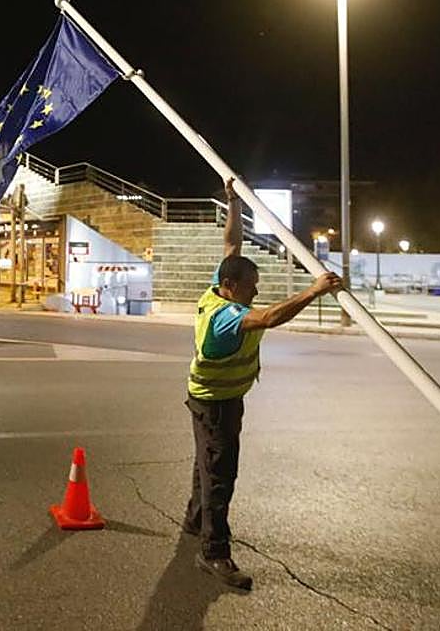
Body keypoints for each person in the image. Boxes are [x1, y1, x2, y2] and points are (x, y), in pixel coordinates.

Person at [183, 178, 342, 590]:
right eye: (252, 285)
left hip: (210, 399)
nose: (257, 291)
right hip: (217, 402)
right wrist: (315, 290)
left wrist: (233, 202)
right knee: (220, 474)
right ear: (233, 286)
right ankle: (214, 552)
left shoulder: (219, 287)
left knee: (207, 464)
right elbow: (270, 318)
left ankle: (195, 520)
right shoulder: (226, 317)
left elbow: (231, 245)